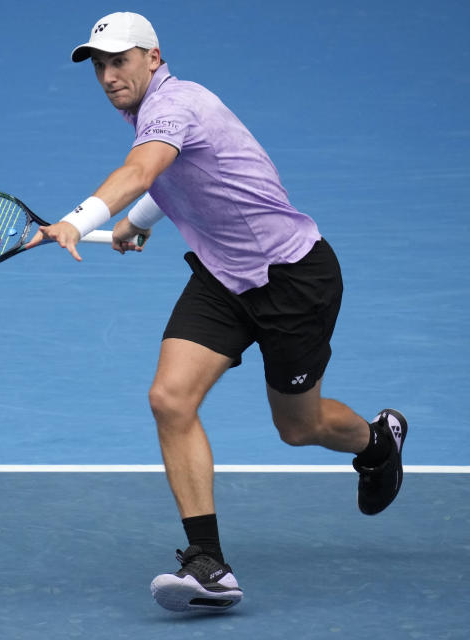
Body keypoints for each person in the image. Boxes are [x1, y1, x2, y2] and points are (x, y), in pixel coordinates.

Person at [26, 12, 408, 613]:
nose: (107, 75)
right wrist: (137, 223)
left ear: (154, 57)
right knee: (169, 398)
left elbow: (142, 169)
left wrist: (80, 220)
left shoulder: (176, 104)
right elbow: (174, 175)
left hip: (293, 280)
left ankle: (378, 440)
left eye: (119, 60)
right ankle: (208, 565)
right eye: (99, 65)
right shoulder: (151, 111)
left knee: (298, 427)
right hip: (224, 279)